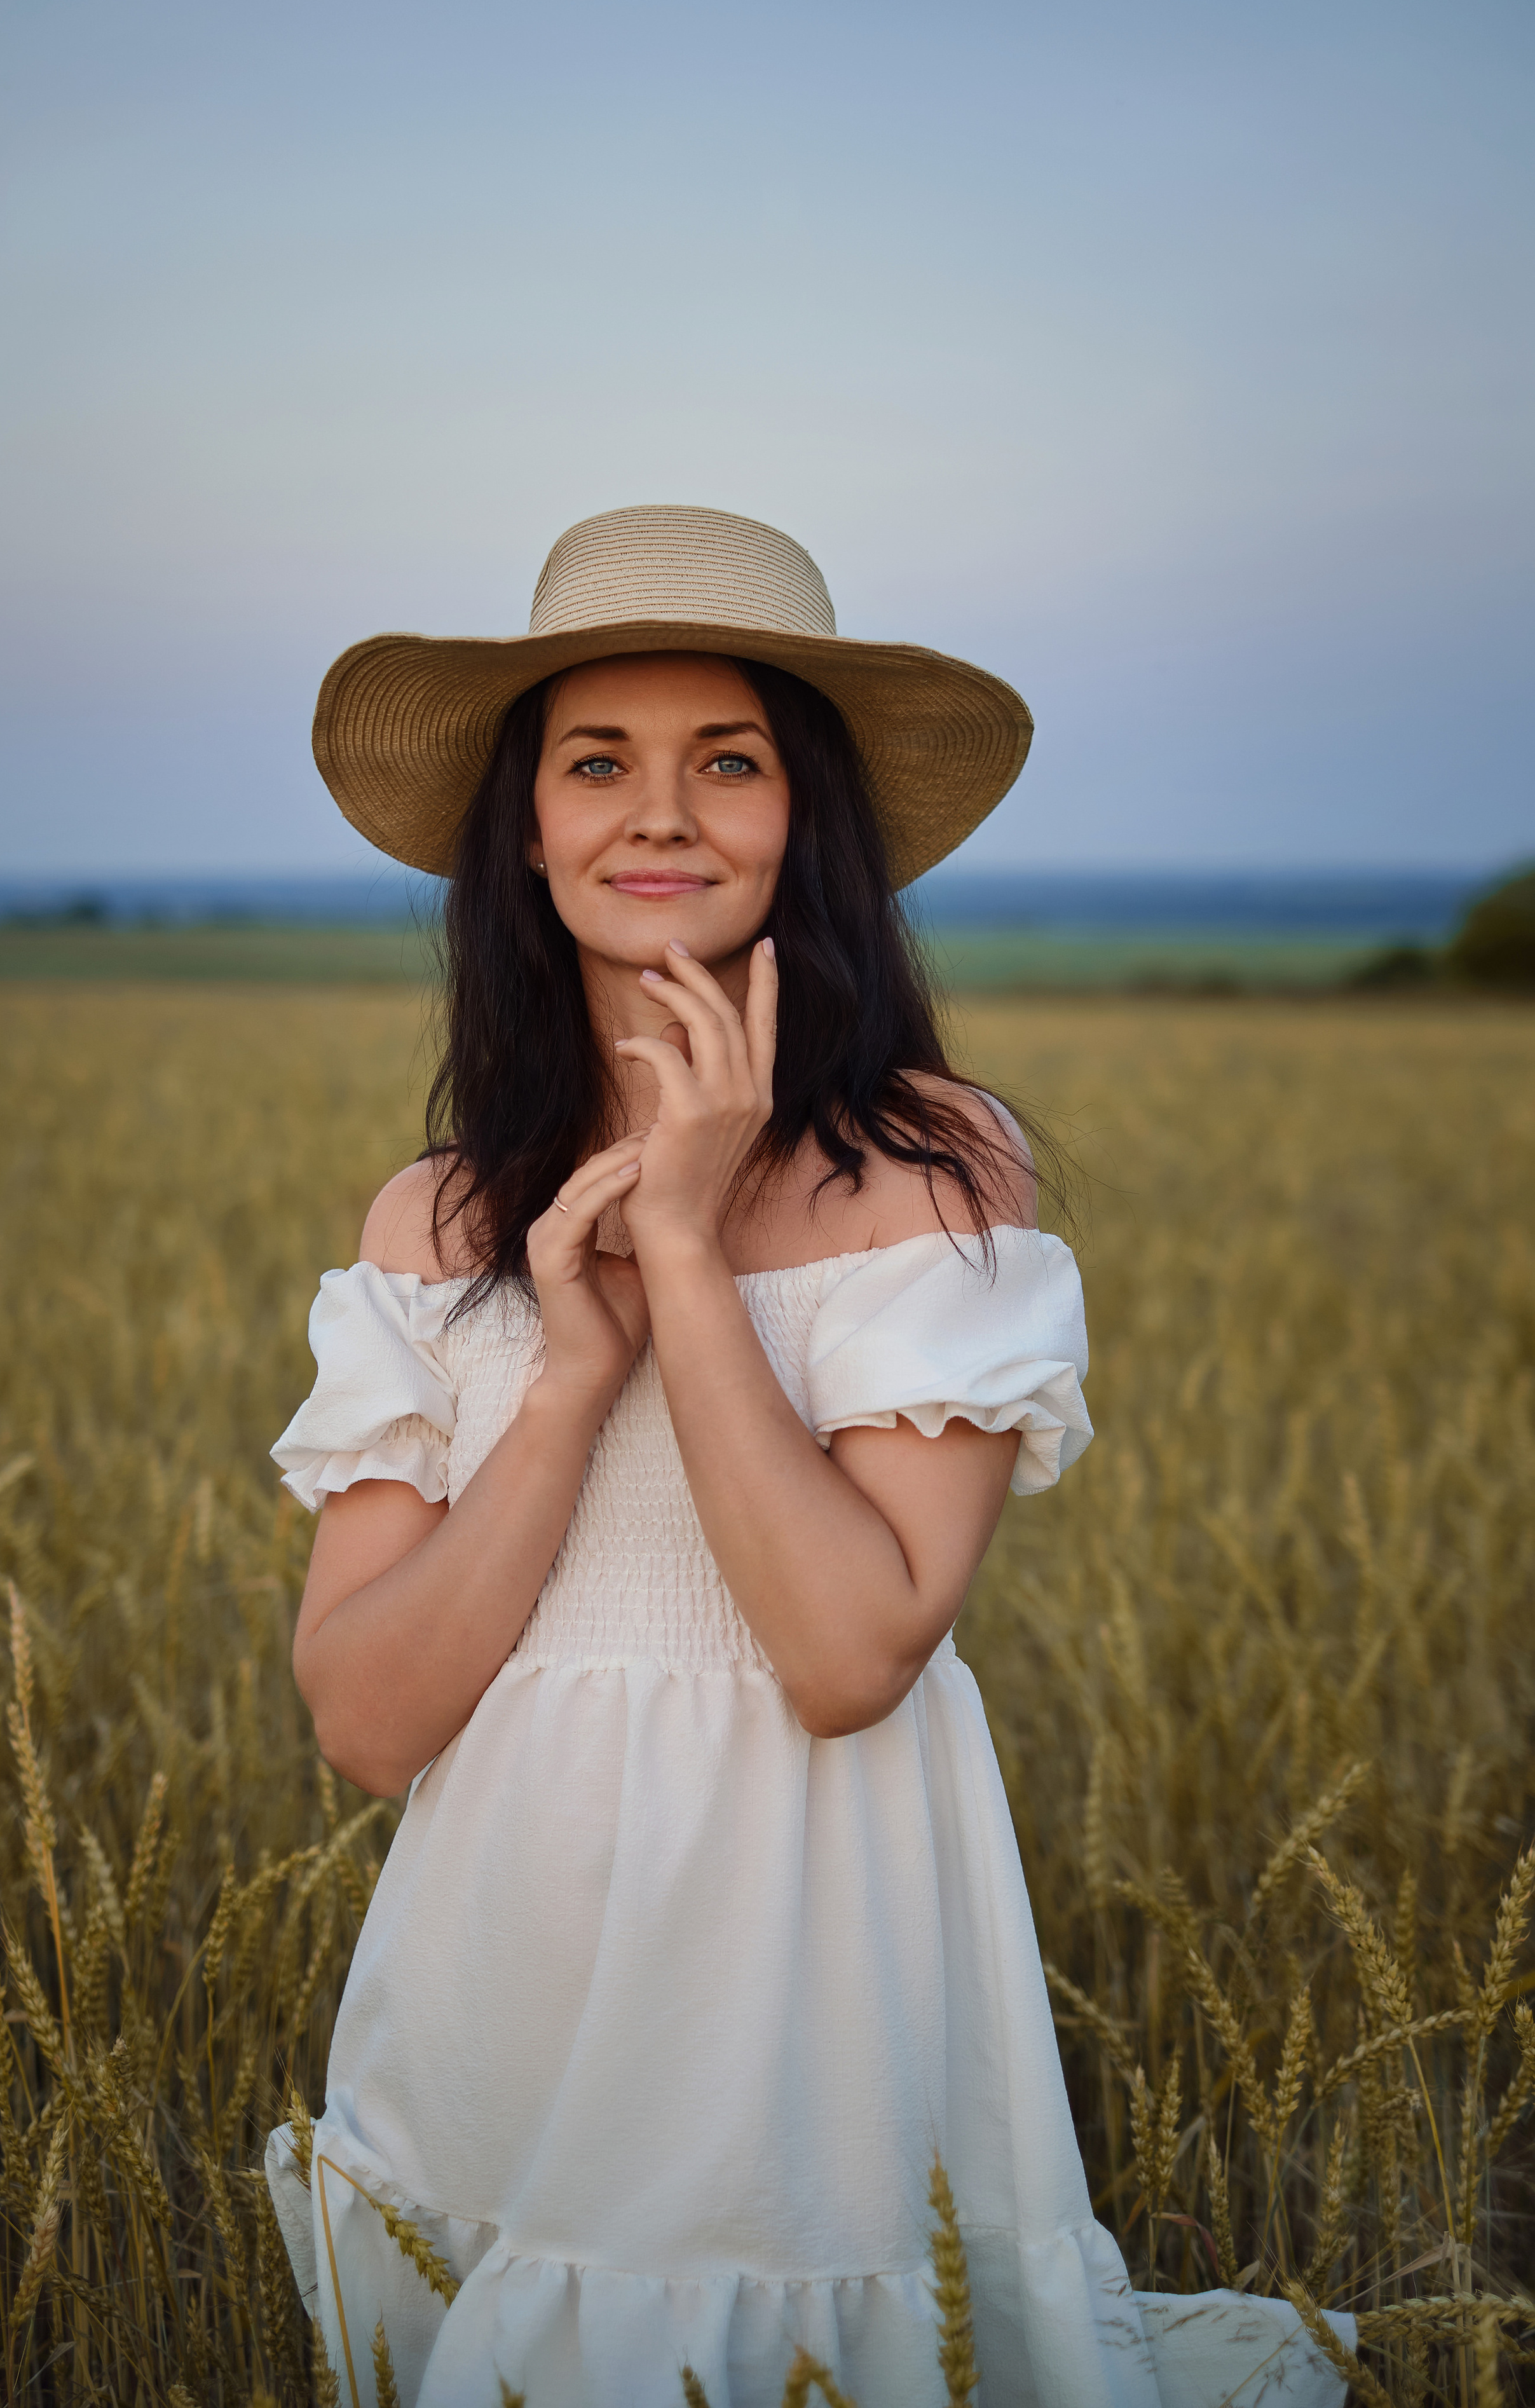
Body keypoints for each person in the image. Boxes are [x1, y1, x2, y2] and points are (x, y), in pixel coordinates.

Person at [264, 506, 1355, 2408]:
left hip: (804, 1966)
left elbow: (852, 1658)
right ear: (527, 828)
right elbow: (365, 1720)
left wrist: (681, 1253)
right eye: (596, 762)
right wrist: (564, 1382)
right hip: (509, 1951)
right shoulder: (433, 1222)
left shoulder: (932, 1173)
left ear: (804, 819)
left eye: (731, 761)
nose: (660, 814)